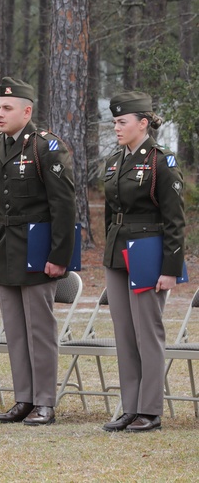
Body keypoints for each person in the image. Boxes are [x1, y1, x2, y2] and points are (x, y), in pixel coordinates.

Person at [0, 77, 76, 426]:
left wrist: (59, 256)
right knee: (15, 330)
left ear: (27, 110)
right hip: (7, 248)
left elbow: (63, 207)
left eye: (7, 108)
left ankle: (45, 402)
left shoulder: (47, 147)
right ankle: (23, 398)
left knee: (39, 329)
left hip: (37, 248)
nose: (0, 114)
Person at [100, 91, 185, 433]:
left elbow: (175, 221)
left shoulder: (161, 162)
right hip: (117, 253)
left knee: (147, 333)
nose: (117, 127)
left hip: (148, 252)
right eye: (115, 122)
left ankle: (149, 410)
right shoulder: (115, 161)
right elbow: (110, 213)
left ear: (143, 123)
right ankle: (130, 407)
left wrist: (170, 269)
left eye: (122, 122)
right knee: (124, 333)